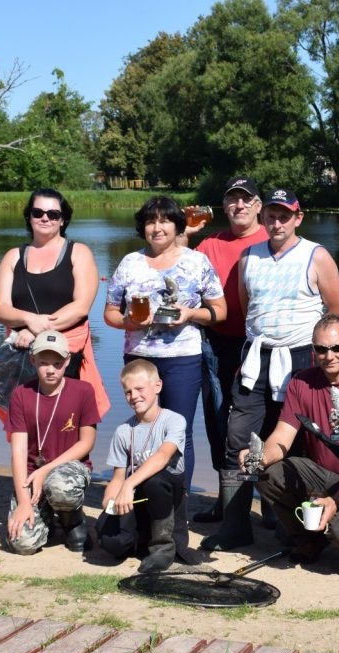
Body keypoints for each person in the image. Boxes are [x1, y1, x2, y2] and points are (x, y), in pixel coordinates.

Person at [201, 189, 339, 551]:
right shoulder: (250, 256)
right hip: (257, 359)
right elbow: (249, 306)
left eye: (285, 216)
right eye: (271, 216)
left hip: (300, 359)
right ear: (262, 219)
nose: (277, 222)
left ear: (298, 218)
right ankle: (235, 526)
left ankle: (290, 525)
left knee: (294, 440)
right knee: (238, 436)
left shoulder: (317, 256)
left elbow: (336, 312)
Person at [104, 195, 226, 497]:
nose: (157, 228)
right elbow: (109, 312)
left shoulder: (196, 261)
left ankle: (177, 504)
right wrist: (128, 322)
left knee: (178, 431)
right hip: (139, 358)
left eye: (164, 220)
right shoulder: (130, 263)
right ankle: (143, 498)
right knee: (142, 428)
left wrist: (190, 314)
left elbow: (219, 311)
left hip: (182, 358)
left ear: (177, 225)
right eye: (150, 221)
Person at [250, 315, 339, 564]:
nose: (330, 356)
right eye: (321, 349)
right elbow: (281, 438)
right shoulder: (300, 383)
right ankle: (307, 539)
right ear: (313, 350)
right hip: (321, 473)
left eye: (337, 347)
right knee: (267, 474)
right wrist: (259, 457)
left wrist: (336, 501)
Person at [0, 188, 110, 422]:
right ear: (29, 216)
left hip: (66, 357)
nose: (45, 218)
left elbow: (81, 307)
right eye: (38, 212)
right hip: (22, 357)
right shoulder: (13, 257)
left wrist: (36, 329)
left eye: (53, 214)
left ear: (62, 219)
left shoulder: (79, 253)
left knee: (68, 427)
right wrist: (28, 321)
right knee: (24, 432)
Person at [191, 177, 268, 523]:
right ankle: (225, 501)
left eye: (246, 200)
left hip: (261, 345)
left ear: (258, 206)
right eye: (232, 200)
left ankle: (271, 504)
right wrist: (187, 230)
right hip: (217, 343)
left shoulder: (273, 239)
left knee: (265, 421)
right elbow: (178, 271)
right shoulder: (209, 244)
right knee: (218, 418)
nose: (239, 205)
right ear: (224, 207)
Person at [5, 331, 100, 554]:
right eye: (44, 363)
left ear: (67, 361)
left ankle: (72, 521)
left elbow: (87, 443)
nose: (50, 370)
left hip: (69, 469)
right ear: (32, 361)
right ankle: (46, 518)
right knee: (23, 544)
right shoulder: (20, 394)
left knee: (59, 485)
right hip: (31, 474)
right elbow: (18, 452)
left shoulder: (83, 391)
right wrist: (23, 503)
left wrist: (45, 471)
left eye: (57, 363)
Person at [98, 360, 189, 573]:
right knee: (110, 542)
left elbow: (163, 456)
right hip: (138, 495)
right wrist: (109, 501)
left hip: (168, 493)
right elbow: (118, 476)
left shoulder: (174, 420)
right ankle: (139, 538)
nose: (134, 396)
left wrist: (129, 485)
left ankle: (163, 547)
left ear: (157, 387)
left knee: (155, 480)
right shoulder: (123, 430)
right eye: (128, 392)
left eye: (140, 389)